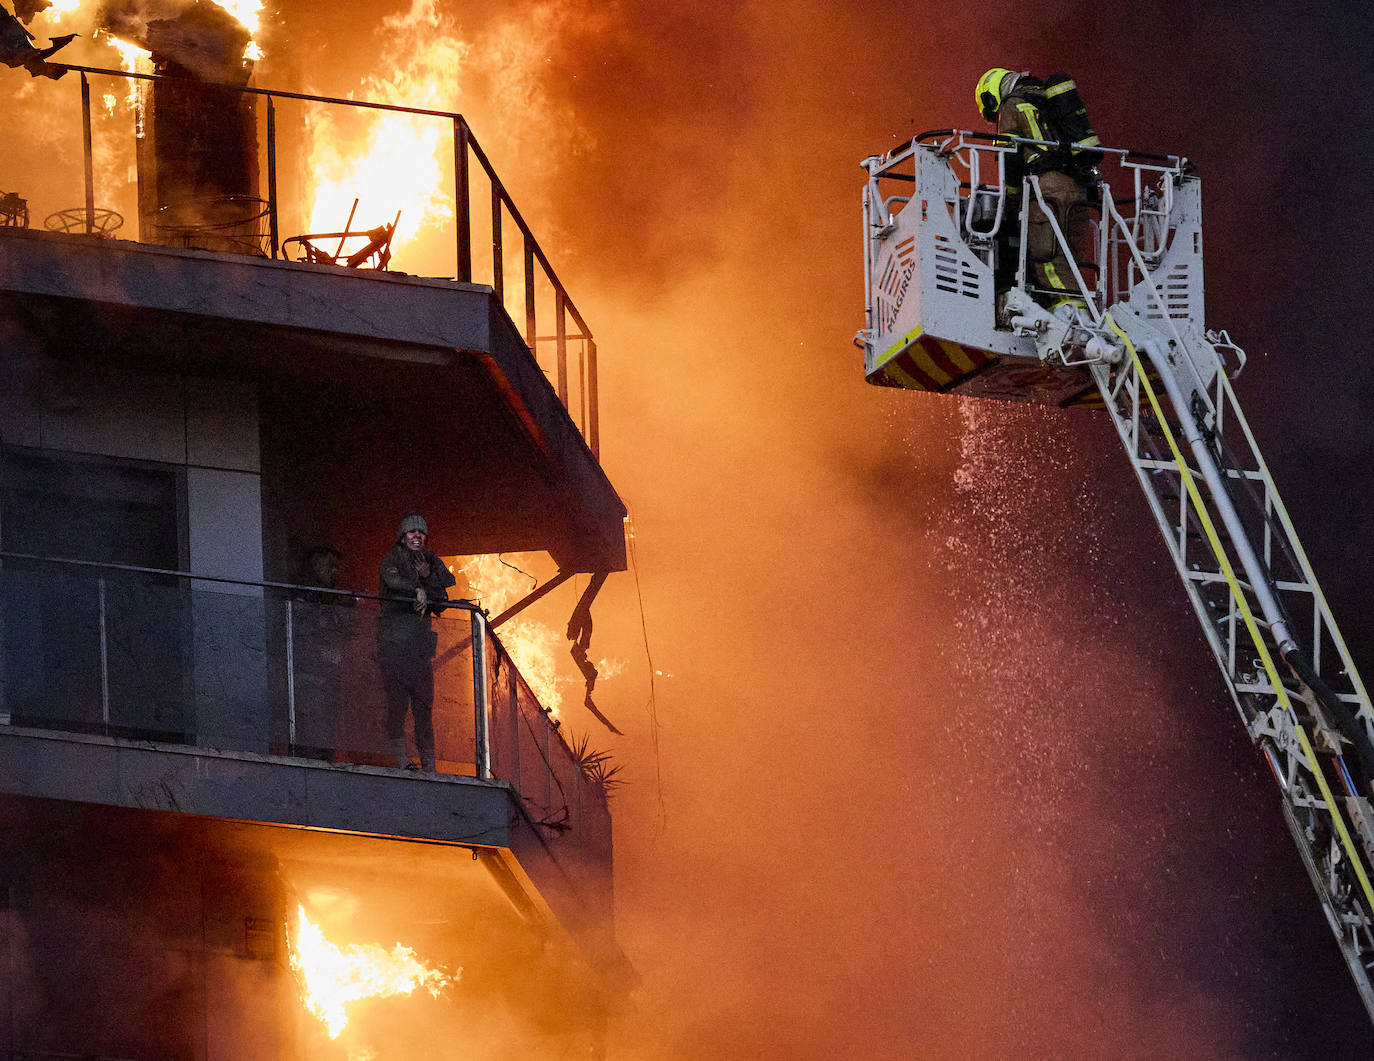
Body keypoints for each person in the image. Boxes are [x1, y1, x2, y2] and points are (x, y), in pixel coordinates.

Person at [976, 67, 1101, 315]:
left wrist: (1009, 204)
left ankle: (1074, 319)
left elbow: (1009, 160)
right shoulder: (1051, 101)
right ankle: (1082, 311)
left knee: (1049, 262)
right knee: (1070, 262)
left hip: (1047, 191)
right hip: (1079, 193)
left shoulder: (1011, 105)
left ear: (992, 96)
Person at [377, 513, 455, 772]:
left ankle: (429, 766)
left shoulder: (430, 561)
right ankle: (402, 762)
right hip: (395, 649)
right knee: (397, 707)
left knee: (423, 708)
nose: (417, 536)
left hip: (420, 652)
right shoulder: (392, 560)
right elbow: (392, 581)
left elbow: (443, 593)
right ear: (402, 537)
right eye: (411, 532)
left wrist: (428, 577)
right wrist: (416, 588)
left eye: (421, 533)